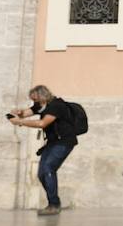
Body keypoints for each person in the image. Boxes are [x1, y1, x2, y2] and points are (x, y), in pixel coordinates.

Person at [9, 85, 77, 215]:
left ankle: (54, 205)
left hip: (64, 142)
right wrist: (19, 113)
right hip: (52, 142)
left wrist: (20, 122)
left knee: (48, 168)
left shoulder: (56, 106)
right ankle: (53, 202)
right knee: (41, 173)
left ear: (42, 97)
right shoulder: (41, 105)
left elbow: (42, 123)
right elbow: (26, 113)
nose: (35, 103)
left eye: (35, 99)